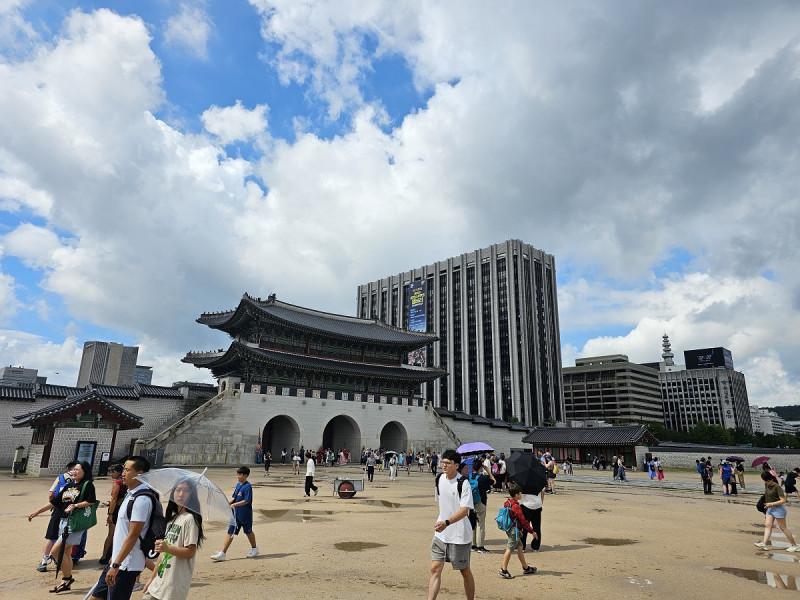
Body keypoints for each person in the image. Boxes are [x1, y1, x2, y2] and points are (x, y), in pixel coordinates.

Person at [87, 456, 151, 600]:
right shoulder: (131, 494)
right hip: (117, 561)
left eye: (127, 470)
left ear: (139, 473)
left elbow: (133, 534)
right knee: (96, 597)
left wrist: (117, 564)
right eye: (123, 470)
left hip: (126, 566)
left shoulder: (141, 500)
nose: (122, 473)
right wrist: (114, 556)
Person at [29, 460, 96, 593]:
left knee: (56, 551)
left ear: (85, 472)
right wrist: (37, 512)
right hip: (63, 522)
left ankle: (66, 578)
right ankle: (66, 582)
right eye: (73, 469)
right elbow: (54, 502)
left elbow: (91, 501)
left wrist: (76, 505)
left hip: (74, 523)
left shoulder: (87, 485)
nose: (74, 471)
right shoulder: (69, 485)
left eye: (78, 469)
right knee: (66, 552)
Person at [142, 479, 205, 600]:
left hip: (173, 586)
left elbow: (190, 552)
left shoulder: (190, 519)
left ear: (191, 495)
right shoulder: (172, 519)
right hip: (159, 582)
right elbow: (162, 555)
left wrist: (167, 548)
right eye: (178, 490)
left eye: (186, 491)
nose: (181, 494)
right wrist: (152, 578)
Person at [428, 449, 475, 600]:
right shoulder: (440, 479)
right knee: (435, 568)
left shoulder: (463, 483)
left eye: (448, 463)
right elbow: (443, 503)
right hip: (441, 533)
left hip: (459, 535)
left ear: (456, 465)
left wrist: (447, 522)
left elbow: (464, 511)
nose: (444, 465)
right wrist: (443, 522)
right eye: (443, 462)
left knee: (464, 571)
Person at [35, 461, 77, 572]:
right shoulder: (79, 481)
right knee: (68, 537)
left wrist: (51, 505)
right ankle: (67, 560)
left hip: (58, 510)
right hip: (72, 512)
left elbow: (51, 493)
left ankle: (44, 561)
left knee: (51, 536)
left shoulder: (61, 478)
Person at [210, 466, 259, 561]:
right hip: (235, 514)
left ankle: (254, 548)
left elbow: (247, 500)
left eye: (240, 474)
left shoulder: (248, 486)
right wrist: (228, 504)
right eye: (238, 474)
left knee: (248, 531)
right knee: (230, 531)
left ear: (245, 475)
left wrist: (235, 504)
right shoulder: (238, 485)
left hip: (245, 514)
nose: (238, 476)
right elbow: (234, 497)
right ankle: (223, 553)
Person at [499, 482, 537, 579]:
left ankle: (525, 567)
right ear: (516, 495)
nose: (522, 495)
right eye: (520, 493)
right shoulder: (516, 506)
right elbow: (523, 521)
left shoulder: (508, 502)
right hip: (514, 530)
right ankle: (503, 569)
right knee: (509, 548)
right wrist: (532, 531)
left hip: (510, 528)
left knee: (520, 547)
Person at [755, 472, 800, 552]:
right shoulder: (767, 485)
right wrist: (767, 505)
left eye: (767, 481)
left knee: (783, 527)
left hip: (778, 509)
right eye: (765, 481)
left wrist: (771, 504)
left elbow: (783, 500)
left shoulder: (777, 487)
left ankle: (794, 546)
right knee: (768, 526)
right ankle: (764, 544)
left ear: (771, 479)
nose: (766, 482)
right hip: (770, 508)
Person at [100, 464, 127, 565]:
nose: (111, 474)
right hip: (123, 509)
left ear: (119, 472)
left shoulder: (118, 482)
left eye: (113, 472)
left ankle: (104, 556)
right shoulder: (127, 482)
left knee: (111, 534)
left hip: (116, 510)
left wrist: (110, 514)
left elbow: (114, 499)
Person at [468, 460, 492, 554]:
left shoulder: (468, 477)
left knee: (472, 523)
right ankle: (480, 546)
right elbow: (494, 481)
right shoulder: (482, 478)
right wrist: (488, 471)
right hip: (480, 502)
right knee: (480, 524)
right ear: (480, 468)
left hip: (470, 503)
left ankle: (473, 545)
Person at [519, 489, 543, 553]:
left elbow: (520, 494)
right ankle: (535, 546)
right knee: (536, 527)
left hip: (526, 505)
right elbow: (542, 493)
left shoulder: (524, 482)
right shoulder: (540, 481)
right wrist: (541, 503)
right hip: (537, 505)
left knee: (524, 526)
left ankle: (522, 546)